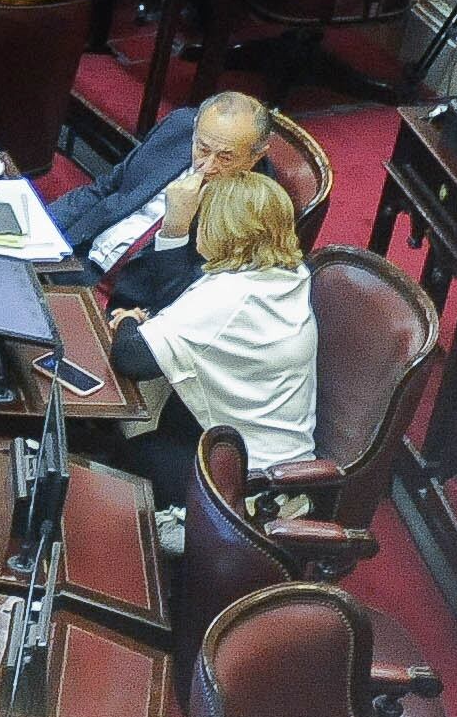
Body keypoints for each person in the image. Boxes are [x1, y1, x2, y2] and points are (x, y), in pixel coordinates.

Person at [104, 170, 319, 509]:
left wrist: (129, 321)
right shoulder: (288, 271)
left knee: (115, 454)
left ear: (222, 230)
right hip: (269, 451)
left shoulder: (230, 297)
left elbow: (131, 358)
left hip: (247, 480)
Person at [48, 89, 273, 314]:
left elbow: (192, 290)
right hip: (78, 253)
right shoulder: (178, 127)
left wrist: (176, 228)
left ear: (256, 156)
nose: (207, 166)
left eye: (225, 157)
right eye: (202, 148)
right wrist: (41, 224)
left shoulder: (257, 206)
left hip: (127, 305)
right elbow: (107, 187)